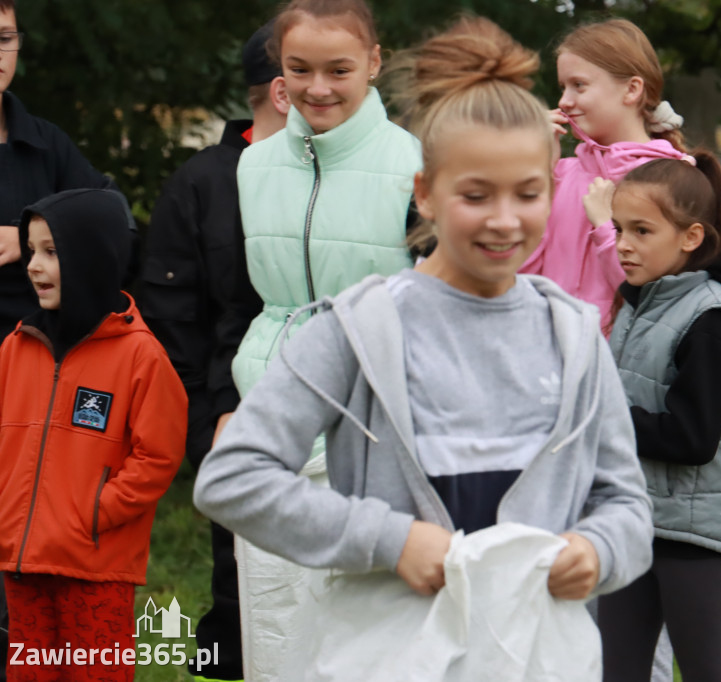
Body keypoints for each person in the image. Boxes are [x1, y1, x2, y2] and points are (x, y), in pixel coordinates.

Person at [194, 13, 653, 678]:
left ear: (553, 190)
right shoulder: (357, 327)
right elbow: (232, 480)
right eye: (475, 195)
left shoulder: (573, 332)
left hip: (538, 660)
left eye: (527, 194)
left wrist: (599, 548)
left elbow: (629, 505)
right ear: (425, 193)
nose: (504, 219)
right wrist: (388, 539)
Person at [223, 1, 421, 678]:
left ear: (373, 61)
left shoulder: (414, 163)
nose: (317, 88)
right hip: (274, 416)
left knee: (366, 636)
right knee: (275, 630)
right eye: (299, 68)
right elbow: (246, 296)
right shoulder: (253, 166)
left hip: (373, 425)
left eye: (338, 69)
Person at [137, 21, 288, 682]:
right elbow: (170, 318)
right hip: (230, 420)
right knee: (242, 586)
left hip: (334, 426)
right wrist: (202, 423)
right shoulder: (201, 183)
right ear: (283, 88)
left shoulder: (347, 178)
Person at [597, 155, 721, 681]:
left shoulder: (710, 319)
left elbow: (693, 439)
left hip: (689, 538)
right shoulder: (638, 301)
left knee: (704, 673)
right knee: (618, 672)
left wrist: (603, 418)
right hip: (634, 521)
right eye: (618, 230)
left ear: (690, 237)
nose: (623, 244)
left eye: (641, 230)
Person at [0, 188, 187, 681]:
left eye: (51, 252)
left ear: (92, 256)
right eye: (32, 251)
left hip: (93, 567)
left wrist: (95, 513)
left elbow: (158, 457)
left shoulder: (140, 357)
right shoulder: (16, 349)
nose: (33, 267)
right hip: (22, 560)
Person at [519, 18, 689, 333]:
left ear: (632, 89)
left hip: (618, 367)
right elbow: (520, 272)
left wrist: (604, 230)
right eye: (563, 87)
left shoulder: (671, 179)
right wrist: (537, 176)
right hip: (548, 356)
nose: (563, 102)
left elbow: (652, 295)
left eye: (578, 85)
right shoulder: (562, 172)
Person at [0, 0, 129, 340]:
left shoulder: (47, 143)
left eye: (4, 38)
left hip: (39, 356)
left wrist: (28, 239)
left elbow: (116, 220)